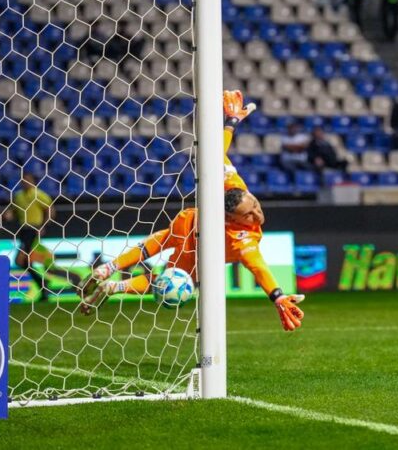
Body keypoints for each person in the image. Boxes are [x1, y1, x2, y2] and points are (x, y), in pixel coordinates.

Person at [79, 91, 306, 331]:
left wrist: (231, 122)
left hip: (188, 221)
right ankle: (116, 287)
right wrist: (277, 296)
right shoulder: (242, 239)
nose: (257, 215)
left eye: (256, 206)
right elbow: (258, 267)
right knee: (174, 282)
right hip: (196, 248)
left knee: (166, 237)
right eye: (248, 215)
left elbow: (216, 154)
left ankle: (108, 269)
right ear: (230, 218)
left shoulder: (233, 186)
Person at [6, 172, 81, 300]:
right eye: (23, 180)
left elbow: (50, 209)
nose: (25, 182)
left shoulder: (39, 194)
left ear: (33, 181)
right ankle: (43, 285)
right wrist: (7, 215)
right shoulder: (18, 196)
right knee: (26, 263)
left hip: (33, 229)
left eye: (28, 180)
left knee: (21, 260)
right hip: (23, 231)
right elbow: (13, 211)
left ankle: (44, 285)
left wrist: (43, 225)